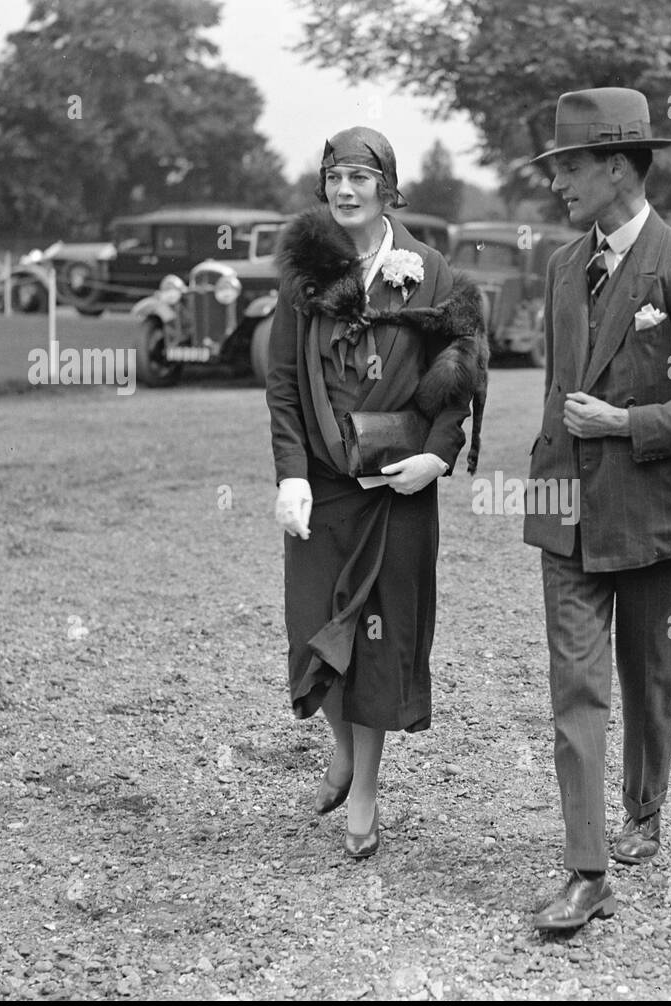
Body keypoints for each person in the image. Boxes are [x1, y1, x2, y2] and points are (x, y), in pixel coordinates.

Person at [523, 89, 671, 930]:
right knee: (575, 691)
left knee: (650, 682)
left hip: (658, 520)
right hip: (567, 518)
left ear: (617, 167)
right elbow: (558, 389)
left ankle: (645, 811)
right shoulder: (559, 266)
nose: (559, 185)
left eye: (570, 168)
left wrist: (628, 423)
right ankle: (587, 869)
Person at [265, 126, 487, 859]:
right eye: (335, 177)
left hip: (398, 491)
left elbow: (460, 369)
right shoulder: (304, 271)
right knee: (311, 636)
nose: (347, 189)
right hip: (326, 491)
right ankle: (341, 750)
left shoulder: (428, 269)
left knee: (375, 646)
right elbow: (284, 385)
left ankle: (364, 792)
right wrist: (291, 472)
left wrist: (439, 457)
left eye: (362, 176)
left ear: (388, 188)